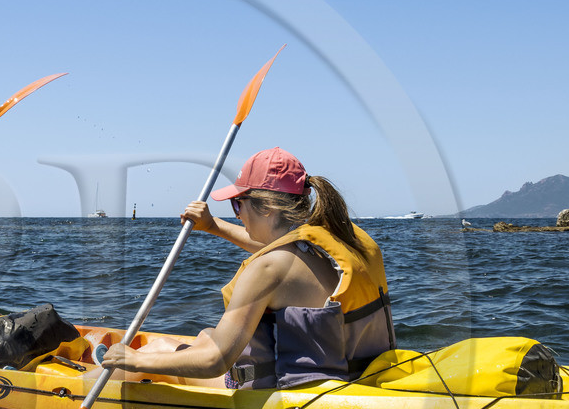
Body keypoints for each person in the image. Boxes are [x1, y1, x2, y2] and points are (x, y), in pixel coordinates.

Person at [100, 147, 394, 388]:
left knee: (158, 349)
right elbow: (281, 252)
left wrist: (132, 359)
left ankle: (77, 389)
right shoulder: (346, 238)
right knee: (205, 335)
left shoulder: (267, 269)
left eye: (238, 205)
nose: (238, 215)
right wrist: (214, 226)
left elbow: (215, 361)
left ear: (266, 208)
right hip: (361, 379)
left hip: (288, 395)